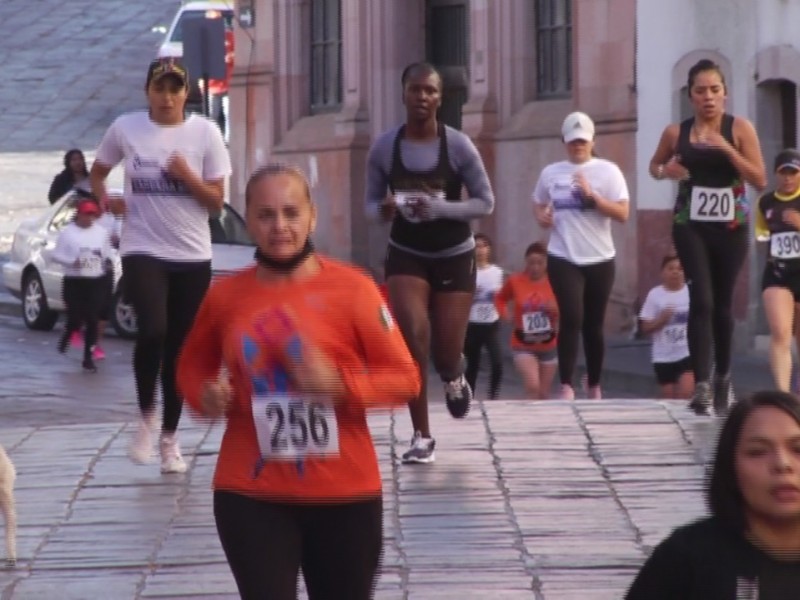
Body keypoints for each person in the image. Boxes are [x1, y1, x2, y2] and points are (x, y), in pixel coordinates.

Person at [176, 164, 421, 600]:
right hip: (250, 493)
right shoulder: (226, 298)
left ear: (312, 217)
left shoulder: (354, 290)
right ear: (248, 219)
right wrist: (206, 395)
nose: (279, 227)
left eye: (291, 213)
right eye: (266, 215)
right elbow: (190, 368)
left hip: (345, 495)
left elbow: (406, 379)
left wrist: (341, 385)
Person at [89, 57, 231, 473]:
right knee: (153, 329)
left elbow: (217, 203)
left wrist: (188, 176)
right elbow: (98, 173)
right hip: (142, 247)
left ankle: (170, 438)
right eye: (159, 88)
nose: (167, 97)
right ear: (147, 91)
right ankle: (146, 416)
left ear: (187, 93)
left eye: (175, 88)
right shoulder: (126, 129)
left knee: (180, 350)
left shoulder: (205, 133)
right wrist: (105, 198)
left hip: (191, 255)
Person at [364, 61, 495, 464]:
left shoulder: (457, 146)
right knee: (412, 338)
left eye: (430, 91)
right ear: (403, 94)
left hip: (454, 255)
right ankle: (421, 436)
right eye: (415, 90)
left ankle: (455, 375)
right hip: (407, 254)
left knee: (444, 352)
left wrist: (442, 209)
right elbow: (369, 206)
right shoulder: (386, 147)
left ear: (441, 98)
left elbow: (485, 202)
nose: (422, 97)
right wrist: (386, 208)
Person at [649, 58, 766, 416]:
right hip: (690, 224)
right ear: (691, 96)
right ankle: (701, 384)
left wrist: (727, 149)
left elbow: (759, 179)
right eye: (701, 91)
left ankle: (723, 378)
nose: (708, 97)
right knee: (701, 299)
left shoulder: (739, 129)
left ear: (725, 96)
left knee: (722, 305)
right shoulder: (676, 133)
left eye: (715, 90)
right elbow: (654, 167)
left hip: (731, 226)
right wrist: (665, 170)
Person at [625, 390, 800, 599]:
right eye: (758, 452)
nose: (782, 464)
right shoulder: (687, 558)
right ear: (730, 466)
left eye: (798, 449)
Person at [532, 111, 630, 400]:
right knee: (572, 317)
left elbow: (623, 213)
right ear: (564, 141)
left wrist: (593, 197)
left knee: (593, 323)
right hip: (563, 255)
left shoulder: (608, 171)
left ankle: (594, 383)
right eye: (573, 141)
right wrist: (544, 217)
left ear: (592, 141)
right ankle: (566, 384)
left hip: (600, 256)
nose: (578, 146)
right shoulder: (551, 172)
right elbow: (538, 203)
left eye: (583, 141)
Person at [51, 198, 113, 373]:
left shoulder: (101, 232)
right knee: (75, 317)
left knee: (93, 319)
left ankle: (88, 358)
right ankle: (68, 333)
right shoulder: (67, 233)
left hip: (95, 281)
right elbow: (56, 256)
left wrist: (107, 264)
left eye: (92, 214)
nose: (89, 218)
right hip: (74, 281)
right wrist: (73, 262)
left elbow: (106, 254)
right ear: (78, 214)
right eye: (86, 214)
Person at [756, 148, 800, 392]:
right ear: (776, 174)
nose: (788, 178)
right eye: (783, 172)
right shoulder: (765, 202)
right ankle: (783, 394)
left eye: (793, 173)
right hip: (778, 273)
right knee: (781, 332)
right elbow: (761, 234)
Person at [495, 242, 559, 400]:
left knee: (543, 394)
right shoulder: (515, 281)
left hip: (548, 343)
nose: (535, 267)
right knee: (533, 386)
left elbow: (570, 308)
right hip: (522, 342)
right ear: (526, 262)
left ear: (547, 264)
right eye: (531, 263)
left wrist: (556, 309)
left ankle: (541, 422)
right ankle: (530, 422)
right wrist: (505, 314)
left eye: (540, 263)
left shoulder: (557, 282)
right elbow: (500, 298)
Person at [639, 255, 694, 399]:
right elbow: (645, 327)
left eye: (680, 269)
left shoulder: (692, 292)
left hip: (687, 351)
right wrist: (661, 320)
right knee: (668, 398)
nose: (675, 272)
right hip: (663, 356)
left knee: (685, 394)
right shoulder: (655, 295)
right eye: (670, 268)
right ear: (662, 273)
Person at [464, 233, 505, 400]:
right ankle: (469, 397)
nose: (480, 250)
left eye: (484, 246)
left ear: (489, 249)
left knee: (497, 361)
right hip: (472, 323)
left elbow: (503, 297)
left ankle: (493, 395)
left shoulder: (497, 272)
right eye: (477, 246)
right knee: (471, 365)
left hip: (491, 323)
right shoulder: (467, 272)